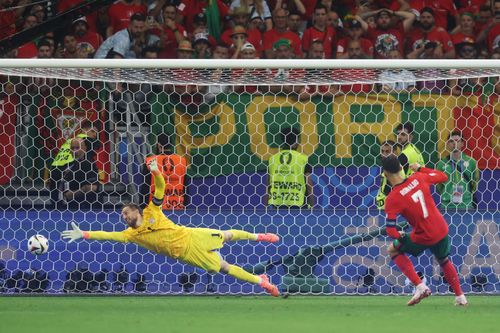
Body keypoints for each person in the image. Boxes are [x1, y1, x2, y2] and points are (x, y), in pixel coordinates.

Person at [61, 158, 280, 297]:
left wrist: (156, 172)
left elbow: (161, 188)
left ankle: (259, 236)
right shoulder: (131, 235)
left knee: (227, 234)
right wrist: (85, 234)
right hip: (186, 253)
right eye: (122, 215)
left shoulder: (151, 211)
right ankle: (261, 282)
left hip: (191, 235)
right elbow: (108, 236)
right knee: (223, 267)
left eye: (126, 212)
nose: (124, 216)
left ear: (136, 210)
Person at [382, 155, 468, 306]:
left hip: (424, 235)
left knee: (393, 250)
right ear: (402, 168)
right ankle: (460, 297)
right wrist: (421, 168)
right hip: (441, 229)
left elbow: (390, 230)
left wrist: (399, 235)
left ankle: (420, 286)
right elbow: (443, 176)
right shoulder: (419, 177)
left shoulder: (392, 199)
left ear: (385, 174)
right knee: (444, 260)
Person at [264, 127, 314, 208]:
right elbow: (309, 185)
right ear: (296, 142)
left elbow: (268, 185)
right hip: (299, 204)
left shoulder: (273, 159)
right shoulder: (303, 159)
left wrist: (265, 207)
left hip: (277, 204)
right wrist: (312, 204)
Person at [436, 131, 479, 209]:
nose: (454, 143)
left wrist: (466, 195)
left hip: (466, 205)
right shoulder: (441, 164)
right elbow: (438, 186)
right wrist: (447, 193)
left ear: (462, 143)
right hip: (447, 206)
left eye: (457, 141)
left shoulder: (471, 162)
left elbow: (475, 181)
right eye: (451, 141)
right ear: (448, 144)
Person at [375, 140, 397, 210]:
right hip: (382, 209)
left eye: (387, 151)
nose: (384, 154)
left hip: (390, 210)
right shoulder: (387, 167)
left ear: (394, 152)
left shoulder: (396, 169)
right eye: (382, 151)